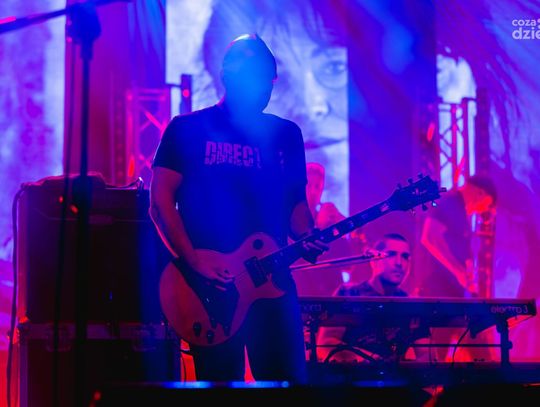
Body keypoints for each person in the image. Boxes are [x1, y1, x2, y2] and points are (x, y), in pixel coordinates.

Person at [149, 34, 328, 384]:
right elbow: (160, 203)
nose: (265, 88)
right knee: (220, 388)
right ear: (228, 76)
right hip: (212, 286)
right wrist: (194, 261)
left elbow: (296, 206)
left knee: (288, 386)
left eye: (270, 80)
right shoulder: (187, 129)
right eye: (258, 78)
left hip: (272, 281)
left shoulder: (285, 134)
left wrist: (309, 235)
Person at [415, 174, 498, 362]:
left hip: (451, 293)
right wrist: (458, 271)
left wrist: (466, 270)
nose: (482, 210)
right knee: (443, 349)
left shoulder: (458, 208)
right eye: (486, 205)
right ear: (480, 192)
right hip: (439, 293)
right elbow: (429, 237)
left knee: (468, 345)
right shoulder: (450, 203)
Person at [317, 233, 431, 364]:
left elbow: (427, 355)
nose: (399, 263)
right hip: (352, 374)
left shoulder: (410, 305)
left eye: (405, 257)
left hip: (394, 376)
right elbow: (326, 343)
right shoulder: (349, 294)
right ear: (373, 259)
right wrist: (370, 360)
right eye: (391, 255)